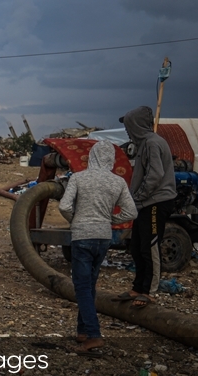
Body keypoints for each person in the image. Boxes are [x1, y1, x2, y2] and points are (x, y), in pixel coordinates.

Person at [59, 141, 138, 354]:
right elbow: (132, 212)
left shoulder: (78, 178)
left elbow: (64, 205)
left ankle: (94, 335)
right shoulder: (118, 182)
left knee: (82, 286)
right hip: (104, 237)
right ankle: (82, 331)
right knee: (90, 284)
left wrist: (76, 219)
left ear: (92, 156)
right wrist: (111, 219)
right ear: (111, 159)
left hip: (82, 236)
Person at [119, 105, 177, 307]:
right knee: (137, 247)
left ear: (136, 125)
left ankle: (150, 291)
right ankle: (138, 287)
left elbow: (155, 175)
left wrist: (139, 197)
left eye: (128, 125)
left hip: (155, 202)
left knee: (150, 246)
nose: (127, 130)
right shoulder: (144, 144)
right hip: (145, 203)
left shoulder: (152, 143)